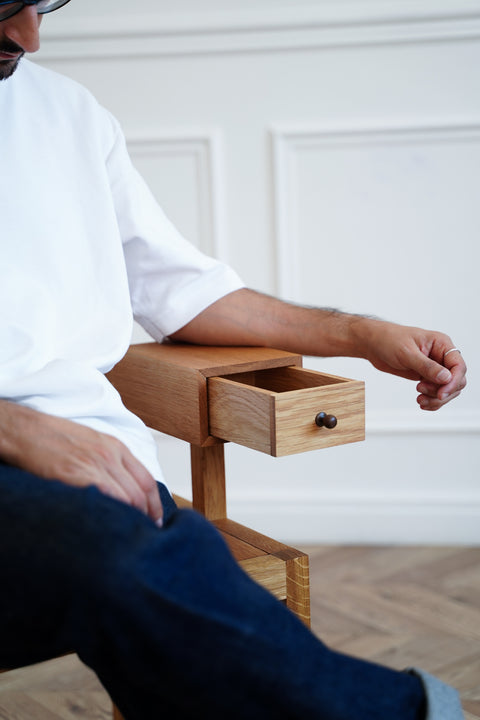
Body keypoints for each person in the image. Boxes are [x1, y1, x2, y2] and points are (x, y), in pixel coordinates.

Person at [0, 2, 467, 719]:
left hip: (99, 473)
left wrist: (361, 332)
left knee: (168, 571)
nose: (29, 35)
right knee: (121, 559)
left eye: (41, 1)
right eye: (3, 7)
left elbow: (180, 289)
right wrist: (14, 428)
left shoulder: (67, 113)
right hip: (71, 501)